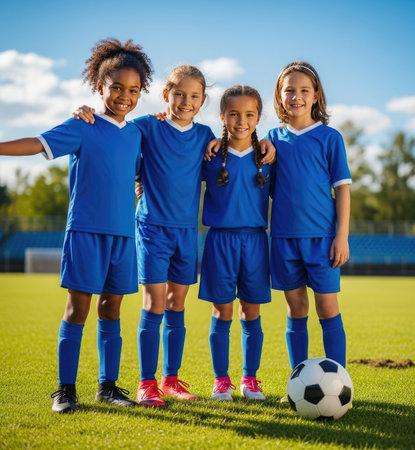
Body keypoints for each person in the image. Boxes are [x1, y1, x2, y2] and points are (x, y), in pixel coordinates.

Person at [75, 66, 276, 407]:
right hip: (151, 229)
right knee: (153, 304)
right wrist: (86, 113)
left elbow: (232, 151)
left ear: (202, 101)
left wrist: (267, 141)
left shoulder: (206, 139)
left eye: (194, 96)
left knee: (176, 304)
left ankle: (170, 379)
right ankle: (146, 383)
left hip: (186, 234)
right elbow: (116, 126)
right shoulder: (146, 126)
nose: (185, 101)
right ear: (166, 95)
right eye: (179, 94)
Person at [0, 39, 153, 413]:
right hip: (85, 231)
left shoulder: (137, 134)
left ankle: (108, 387)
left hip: (123, 236)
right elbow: (37, 144)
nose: (124, 96)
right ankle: (65, 391)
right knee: (77, 308)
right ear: (99, 86)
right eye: (116, 87)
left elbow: (146, 168)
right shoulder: (82, 125)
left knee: (112, 309)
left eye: (133, 90)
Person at [267, 61, 351, 374]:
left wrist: (341, 236)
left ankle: (339, 378)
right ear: (280, 95)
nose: (296, 96)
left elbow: (342, 191)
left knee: (327, 307)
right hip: (285, 239)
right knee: (295, 308)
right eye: (289, 90)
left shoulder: (330, 138)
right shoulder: (273, 138)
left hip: (323, 240)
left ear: (316, 95)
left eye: (304, 90)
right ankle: (298, 378)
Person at [199, 85, 272, 401]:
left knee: (251, 312)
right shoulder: (211, 153)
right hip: (220, 241)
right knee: (221, 312)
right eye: (233, 114)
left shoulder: (267, 156)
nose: (241, 121)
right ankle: (221, 381)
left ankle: (250, 379)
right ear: (222, 116)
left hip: (255, 242)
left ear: (258, 118)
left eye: (249, 114)